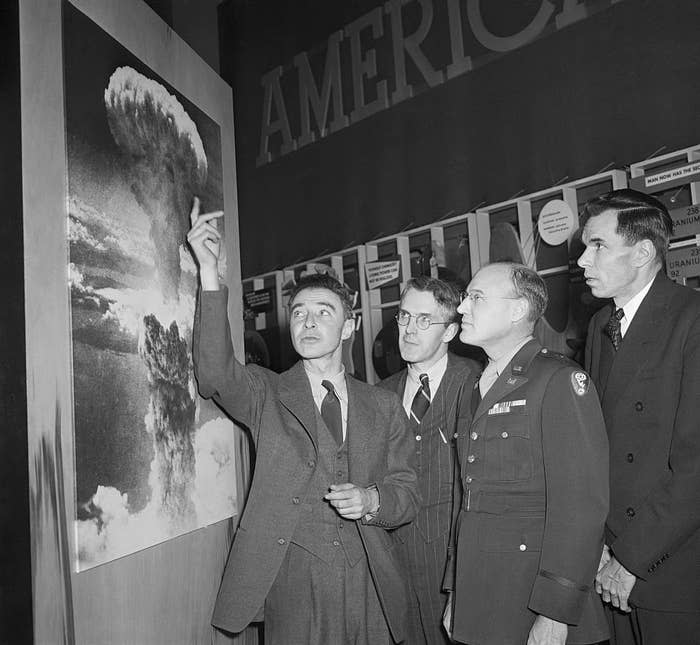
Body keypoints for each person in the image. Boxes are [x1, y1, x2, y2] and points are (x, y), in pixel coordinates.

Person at [187, 200, 419, 645]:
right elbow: (215, 373)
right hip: (291, 580)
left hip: (369, 580)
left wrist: (372, 499)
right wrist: (209, 275)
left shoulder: (384, 405)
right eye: (298, 313)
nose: (308, 322)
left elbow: (407, 494)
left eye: (324, 313)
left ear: (348, 328)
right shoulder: (266, 392)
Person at [444, 262, 609, 645]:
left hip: (535, 601)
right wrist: (457, 591)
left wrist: (555, 612)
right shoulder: (475, 387)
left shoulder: (557, 380)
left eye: (476, 298)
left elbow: (581, 506)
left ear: (519, 310)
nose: (463, 307)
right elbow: (468, 501)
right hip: (482, 598)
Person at [578, 188, 700, 645]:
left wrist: (631, 559)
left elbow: (695, 468)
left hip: (672, 570)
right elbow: (600, 445)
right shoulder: (599, 325)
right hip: (611, 561)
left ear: (644, 252)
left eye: (598, 246)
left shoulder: (692, 319)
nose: (583, 261)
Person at [378, 276, 479, 645]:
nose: (408, 330)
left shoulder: (477, 385)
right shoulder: (379, 396)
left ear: (451, 330)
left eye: (424, 320)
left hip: (454, 567)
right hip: (395, 570)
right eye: (404, 317)